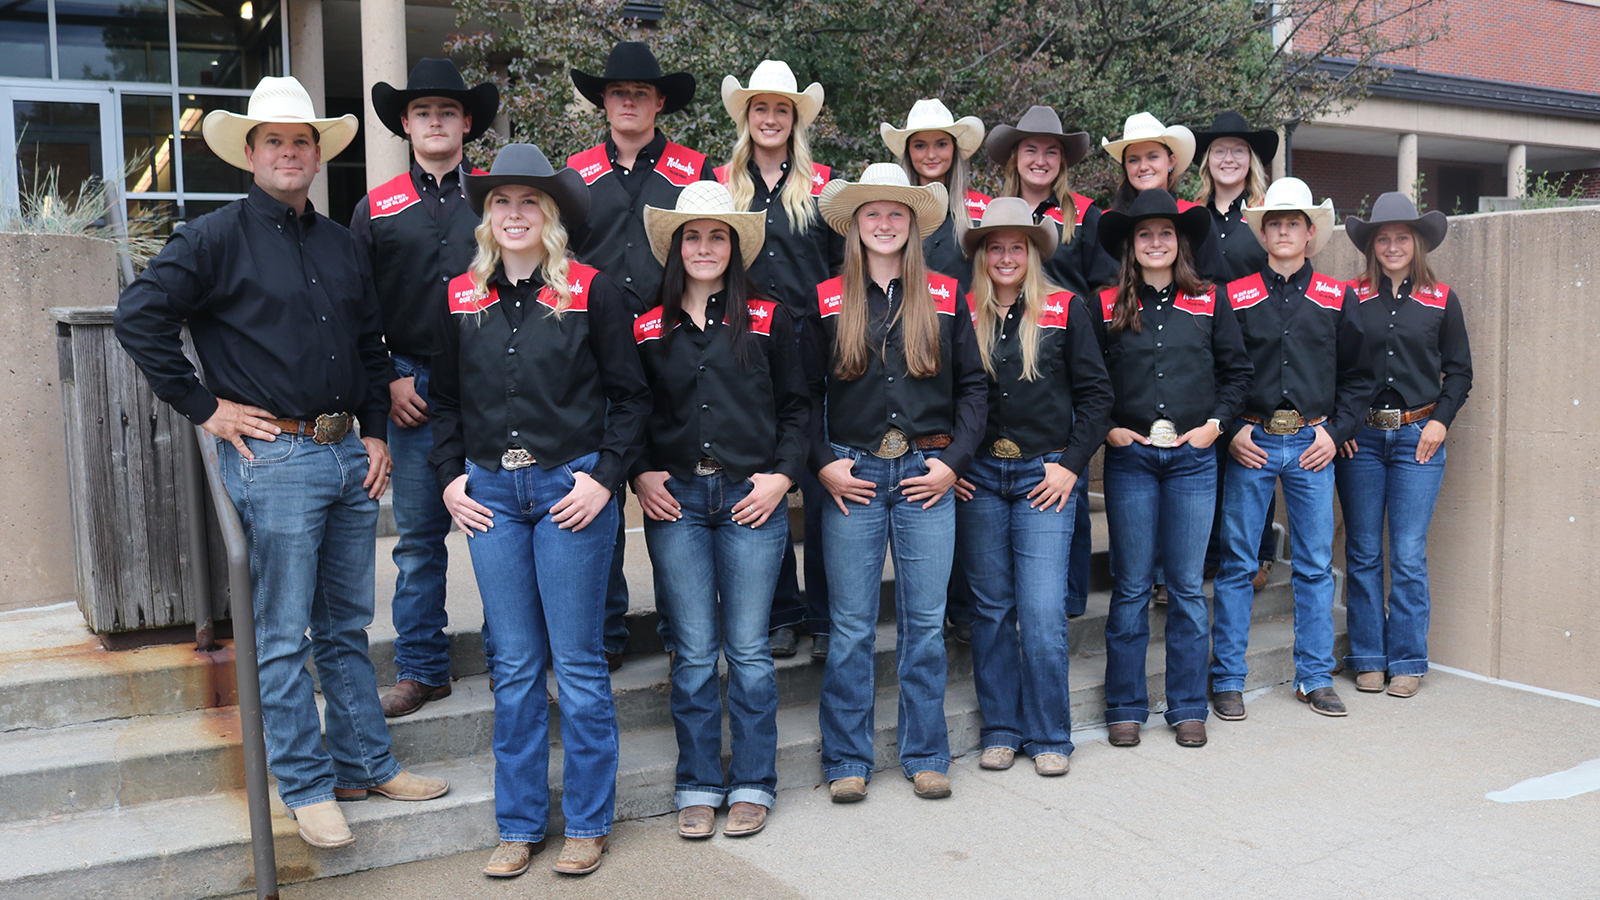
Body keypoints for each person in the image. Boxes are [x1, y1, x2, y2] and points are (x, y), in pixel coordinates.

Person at [113, 76, 449, 850]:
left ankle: (367, 762)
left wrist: (372, 432)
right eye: (275, 141)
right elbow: (140, 318)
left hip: (345, 455)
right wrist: (207, 408)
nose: (290, 152)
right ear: (251, 154)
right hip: (276, 458)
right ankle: (305, 785)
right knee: (281, 634)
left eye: (302, 141)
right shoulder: (213, 238)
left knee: (345, 627)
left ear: (317, 153)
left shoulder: (338, 241)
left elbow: (370, 345)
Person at [429, 144, 649, 878]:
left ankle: (587, 823)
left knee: (579, 666)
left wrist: (606, 479)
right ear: (486, 216)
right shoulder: (460, 294)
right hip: (491, 495)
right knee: (515, 665)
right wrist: (448, 480)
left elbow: (630, 396)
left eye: (529, 202)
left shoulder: (593, 290)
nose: (514, 214)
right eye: (501, 202)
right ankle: (519, 825)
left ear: (550, 215)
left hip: (570, 494)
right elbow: (448, 403)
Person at [633, 181, 809, 840]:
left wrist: (782, 477)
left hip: (749, 500)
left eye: (717, 235)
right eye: (694, 235)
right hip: (675, 499)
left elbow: (797, 407)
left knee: (751, 651)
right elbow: (630, 406)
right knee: (696, 653)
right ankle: (700, 782)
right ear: (677, 247)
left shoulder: (769, 316)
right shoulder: (647, 324)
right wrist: (640, 470)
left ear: (735, 247)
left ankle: (755, 782)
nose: (705, 246)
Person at [804, 164, 986, 802]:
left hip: (924, 475)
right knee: (851, 626)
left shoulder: (944, 292)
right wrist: (823, 462)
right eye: (872, 214)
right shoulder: (826, 296)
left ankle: (926, 751)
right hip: (851, 474)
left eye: (896, 214)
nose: (884, 224)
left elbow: (973, 389)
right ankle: (847, 758)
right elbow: (803, 396)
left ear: (914, 226)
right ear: (855, 227)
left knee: (924, 621)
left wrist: (953, 463)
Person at [350, 57, 499, 718]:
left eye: (447, 110)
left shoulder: (499, 199)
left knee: (499, 530)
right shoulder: (375, 208)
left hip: (495, 388)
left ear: (466, 121)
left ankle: (510, 660)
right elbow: (355, 311)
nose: (435, 121)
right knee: (417, 541)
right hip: (412, 389)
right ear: (405, 124)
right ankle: (421, 668)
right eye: (422, 112)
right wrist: (385, 380)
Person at [567, 40, 716, 670]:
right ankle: (604, 634)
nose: (629, 101)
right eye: (618, 92)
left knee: (673, 479)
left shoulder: (694, 170)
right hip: (593, 349)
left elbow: (717, 247)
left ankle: (691, 631)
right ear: (604, 100)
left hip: (676, 343)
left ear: (659, 102)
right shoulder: (573, 173)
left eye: (641, 93)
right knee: (596, 485)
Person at [954, 197, 1112, 776]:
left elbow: (1097, 399)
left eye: (1016, 246)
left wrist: (1071, 466)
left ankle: (1049, 733)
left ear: (1032, 252)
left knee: (1042, 610)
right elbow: (945, 400)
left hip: (1044, 475)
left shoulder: (1066, 309)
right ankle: (1001, 727)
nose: (1005, 256)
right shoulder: (959, 309)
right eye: (995, 246)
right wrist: (955, 465)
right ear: (981, 254)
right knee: (991, 608)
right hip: (980, 481)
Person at [1210, 177, 1375, 720]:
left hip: (1311, 443)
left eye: (1294, 224)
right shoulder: (1233, 295)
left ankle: (1313, 677)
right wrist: (1231, 428)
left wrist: (1336, 431)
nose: (1284, 231)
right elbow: (1219, 372)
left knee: (1312, 565)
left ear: (1310, 234)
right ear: (1263, 233)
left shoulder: (1335, 297)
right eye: (1274, 223)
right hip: (1251, 440)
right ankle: (1229, 679)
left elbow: (1358, 376)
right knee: (1237, 564)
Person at [1092, 189, 1252, 749]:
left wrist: (1215, 425)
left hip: (1192, 461)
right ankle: (1125, 704)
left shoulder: (1211, 300)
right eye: (1144, 235)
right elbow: (1089, 383)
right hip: (1130, 459)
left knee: (1186, 587)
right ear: (1131, 247)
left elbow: (1237, 375)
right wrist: (1108, 426)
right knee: (1132, 587)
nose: (1155, 243)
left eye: (1165, 234)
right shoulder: (1106, 303)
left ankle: (1187, 705)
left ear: (1179, 242)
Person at [714, 59, 841, 662]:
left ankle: (822, 616)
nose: (770, 118)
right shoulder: (722, 184)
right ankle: (778, 613)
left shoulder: (824, 186)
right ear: (746, 117)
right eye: (760, 108)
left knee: (820, 485)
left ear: (795, 120)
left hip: (817, 350)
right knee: (760, 484)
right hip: (746, 351)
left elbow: (847, 268)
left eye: (781, 110)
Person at [1336, 192, 1472, 699]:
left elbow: (1459, 371)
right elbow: (1334, 368)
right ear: (1371, 246)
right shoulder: (1350, 297)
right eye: (1383, 238)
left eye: (1402, 237)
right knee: (1365, 550)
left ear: (1417, 244)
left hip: (1419, 438)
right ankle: (1369, 656)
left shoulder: (1442, 299)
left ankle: (1409, 658)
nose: (1392, 245)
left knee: (1409, 554)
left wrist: (1440, 422)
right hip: (1362, 442)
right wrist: (1342, 426)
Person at [987, 105, 1111, 618]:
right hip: (1002, 352)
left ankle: (1068, 597)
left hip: (1064, 353)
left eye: (1051, 152)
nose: (1040, 159)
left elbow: (1104, 289)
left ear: (1063, 161)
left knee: (1067, 485)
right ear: (1015, 156)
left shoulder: (1084, 214)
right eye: (1031, 149)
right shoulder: (990, 214)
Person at [879, 98, 988, 643]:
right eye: (918, 144)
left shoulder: (975, 217)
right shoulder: (886, 216)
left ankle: (963, 612)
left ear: (955, 150)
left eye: (939, 143)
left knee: (960, 490)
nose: (929, 153)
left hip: (958, 365)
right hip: (898, 379)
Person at [1192, 111, 1283, 593]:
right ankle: (1209, 551)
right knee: (1213, 446)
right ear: (1208, 161)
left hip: (1258, 343)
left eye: (1239, 151)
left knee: (1254, 447)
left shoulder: (1268, 216)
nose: (1229, 158)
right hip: (1203, 345)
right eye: (1220, 151)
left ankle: (1259, 552)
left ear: (1252, 161)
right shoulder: (1191, 217)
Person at [1102, 112, 1225, 279]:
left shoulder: (1193, 217)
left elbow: (1214, 283)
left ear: (1171, 161)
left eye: (1153, 157)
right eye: (1133, 160)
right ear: (1125, 167)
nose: (1143, 166)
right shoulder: (1110, 223)